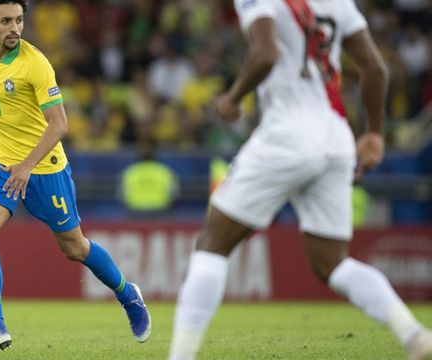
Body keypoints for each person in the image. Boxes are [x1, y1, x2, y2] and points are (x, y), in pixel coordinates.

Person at [168, 0, 432, 359]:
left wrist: (233, 98)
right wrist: (373, 133)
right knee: (333, 263)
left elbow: (265, 54)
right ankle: (414, 334)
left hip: (287, 133)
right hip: (335, 135)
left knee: (212, 243)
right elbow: (374, 67)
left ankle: (179, 356)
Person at [0, 0, 150, 355]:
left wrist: (26, 166)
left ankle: (128, 295)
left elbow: (60, 124)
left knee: (74, 247)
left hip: (44, 166)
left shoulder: (34, 63)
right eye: (6, 21)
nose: (15, 28)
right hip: (0, 161)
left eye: (20, 20)